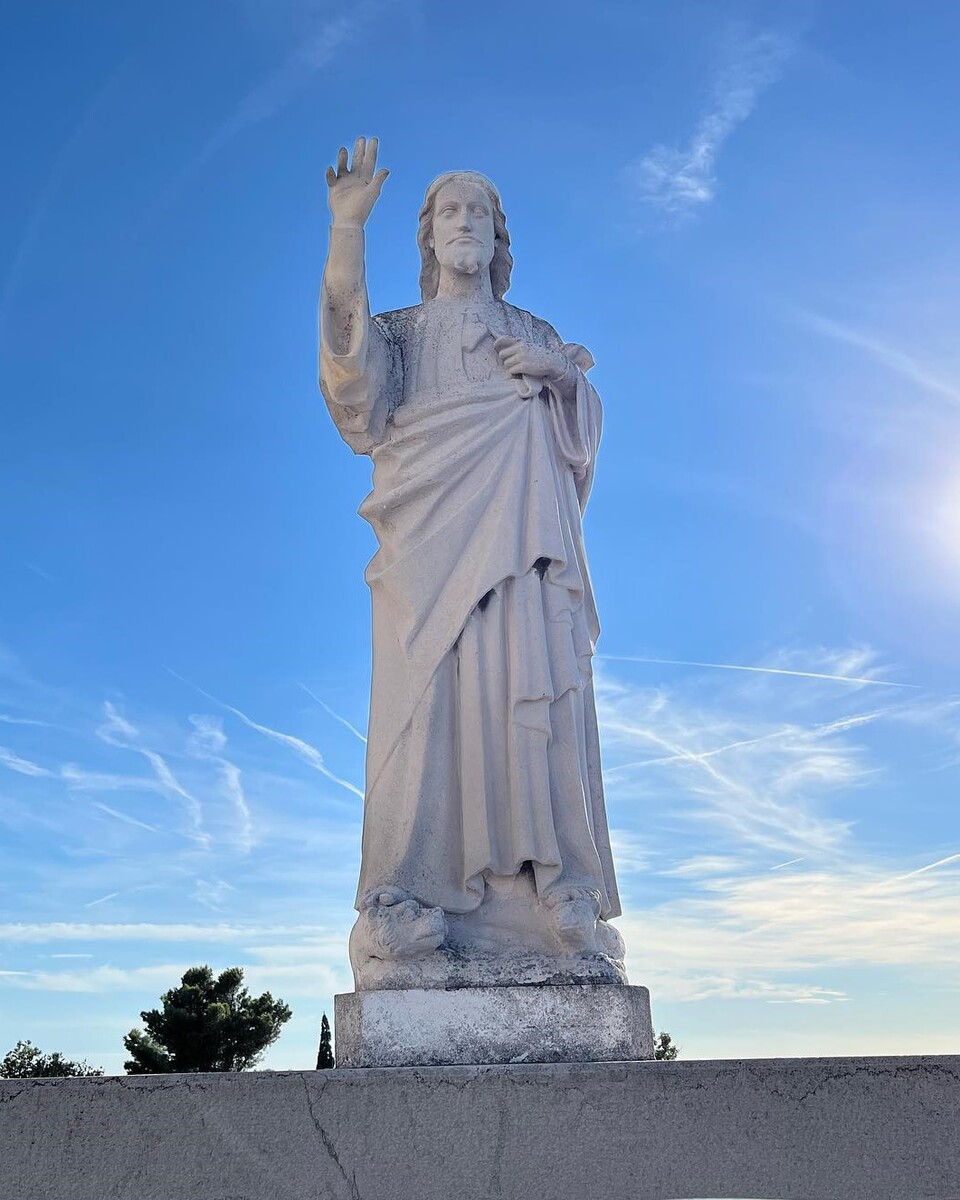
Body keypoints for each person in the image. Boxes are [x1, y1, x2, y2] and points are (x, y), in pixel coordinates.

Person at [320, 137, 623, 988]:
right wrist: (347, 231)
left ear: (498, 240)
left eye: (478, 214)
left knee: (529, 701)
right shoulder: (404, 337)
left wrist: (561, 377)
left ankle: (554, 893)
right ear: (427, 237)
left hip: (526, 551)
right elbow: (353, 389)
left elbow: (578, 439)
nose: (464, 224)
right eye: (449, 212)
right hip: (426, 555)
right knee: (428, 717)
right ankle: (408, 898)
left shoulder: (536, 332)